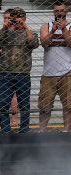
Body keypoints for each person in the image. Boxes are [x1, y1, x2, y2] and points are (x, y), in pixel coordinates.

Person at [0, 7, 39, 134]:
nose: (16, 20)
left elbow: (34, 44)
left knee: (24, 105)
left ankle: (24, 130)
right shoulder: (5, 32)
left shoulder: (31, 32)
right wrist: (4, 28)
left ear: (24, 18)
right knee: (3, 105)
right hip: (5, 73)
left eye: (19, 17)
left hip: (23, 73)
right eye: (13, 17)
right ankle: (5, 131)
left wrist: (25, 27)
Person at [38, 1, 71, 133]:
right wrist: (53, 30)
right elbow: (44, 42)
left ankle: (66, 131)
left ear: (67, 11)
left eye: (61, 11)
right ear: (53, 12)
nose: (59, 13)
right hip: (49, 72)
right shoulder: (46, 26)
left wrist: (63, 29)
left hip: (68, 71)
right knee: (44, 105)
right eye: (56, 11)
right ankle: (42, 131)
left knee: (68, 105)